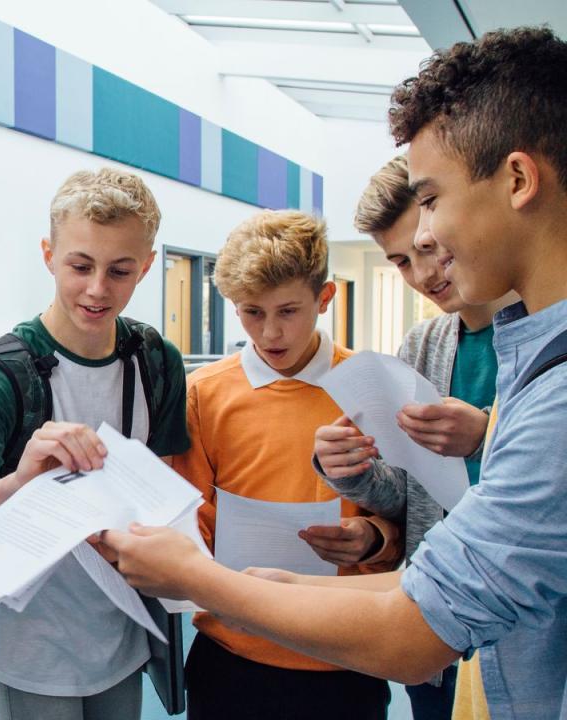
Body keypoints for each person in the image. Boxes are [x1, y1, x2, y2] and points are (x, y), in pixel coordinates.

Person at [99, 27, 567, 720]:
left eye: (431, 198)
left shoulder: (551, 398)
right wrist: (277, 582)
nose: (426, 239)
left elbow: (416, 632)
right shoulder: (530, 365)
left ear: (520, 180)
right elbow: (424, 585)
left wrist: (203, 578)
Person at [0, 168, 189, 720]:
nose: (98, 289)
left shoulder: (156, 361)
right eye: (80, 266)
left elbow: (168, 492)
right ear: (48, 255)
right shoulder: (0, 374)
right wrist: (22, 478)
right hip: (31, 646)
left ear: (145, 266)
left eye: (120, 270)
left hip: (124, 635)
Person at [169, 209, 399, 719]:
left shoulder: (374, 386)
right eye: (251, 312)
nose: (270, 333)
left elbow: (411, 515)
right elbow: (189, 524)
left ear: (325, 298)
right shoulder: (203, 395)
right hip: (234, 656)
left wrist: (375, 538)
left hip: (346, 656)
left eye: (288, 311)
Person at [313, 155, 511, 719]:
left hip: (514, 623)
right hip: (435, 620)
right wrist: (348, 470)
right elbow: (407, 497)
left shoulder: (538, 337)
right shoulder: (422, 345)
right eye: (400, 262)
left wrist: (483, 435)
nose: (423, 276)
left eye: (426, 250)